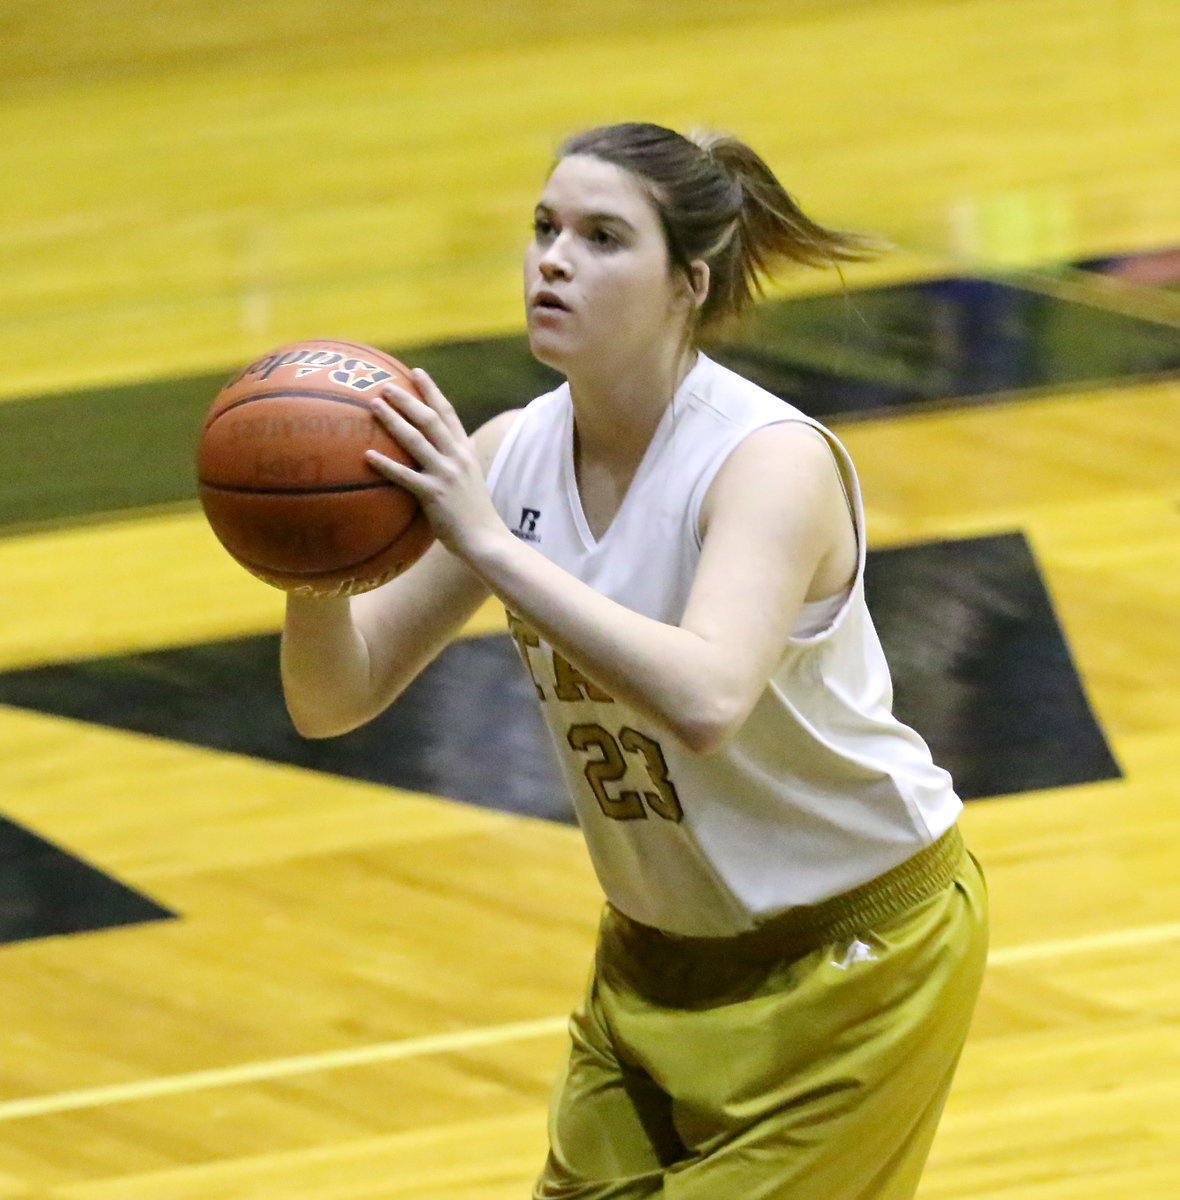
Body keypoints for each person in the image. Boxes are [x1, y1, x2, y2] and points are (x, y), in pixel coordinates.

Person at [281, 121, 988, 1200]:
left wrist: (486, 545)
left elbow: (707, 697)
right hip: (653, 963)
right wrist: (310, 565)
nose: (554, 259)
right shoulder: (509, 454)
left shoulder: (765, 463)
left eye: (603, 237)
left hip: (856, 961)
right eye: (544, 228)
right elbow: (334, 697)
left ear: (684, 285)